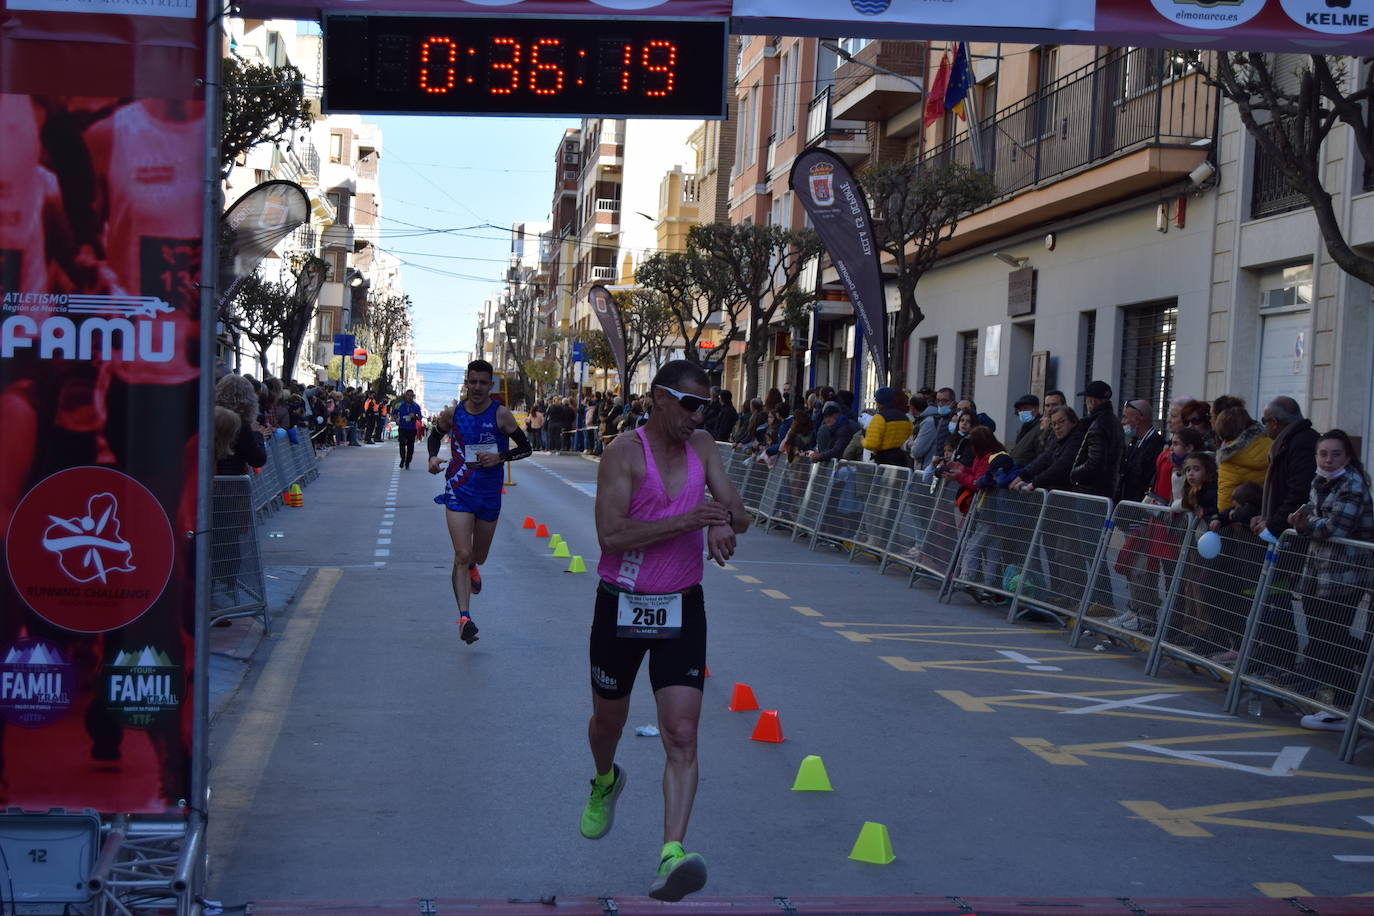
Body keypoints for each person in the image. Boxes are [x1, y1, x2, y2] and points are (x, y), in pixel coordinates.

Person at [582, 360, 748, 902]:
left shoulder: (703, 447)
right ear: (658, 398)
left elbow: (740, 512)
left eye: (707, 405)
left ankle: (671, 853)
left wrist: (722, 518)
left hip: (681, 607)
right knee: (608, 721)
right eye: (690, 403)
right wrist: (689, 520)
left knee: (681, 733)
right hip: (621, 604)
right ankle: (606, 779)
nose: (699, 415)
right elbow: (611, 536)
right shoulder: (623, 454)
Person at [426, 360, 532, 645]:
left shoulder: (501, 415)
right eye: (472, 382)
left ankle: (475, 566)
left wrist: (500, 457)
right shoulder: (454, 413)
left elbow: (526, 448)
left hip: (488, 494)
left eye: (482, 383)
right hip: (458, 490)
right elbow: (434, 437)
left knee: (478, 556)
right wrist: (433, 458)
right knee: (461, 554)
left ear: (490, 385)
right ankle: (464, 618)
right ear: (466, 383)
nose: (477, 388)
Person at [1287, 429, 1374, 731]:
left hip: (1344, 574)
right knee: (1321, 636)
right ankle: (1342, 699)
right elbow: (1312, 514)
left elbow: (1336, 526)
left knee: (1329, 640)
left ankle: (1343, 707)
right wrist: (1300, 518)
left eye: (1335, 454)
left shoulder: (1352, 483)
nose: (1328, 459)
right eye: (1323, 453)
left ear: (1348, 456)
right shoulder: (1319, 480)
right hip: (1316, 571)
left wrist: (1305, 524)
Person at [1117, 399, 1164, 504]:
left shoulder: (1156, 444)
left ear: (1137, 420)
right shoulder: (1134, 442)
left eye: (1125, 417)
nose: (1122, 422)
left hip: (1140, 507)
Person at [862, 387, 913, 467]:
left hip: (883, 460)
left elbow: (872, 444)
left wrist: (863, 441)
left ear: (878, 402)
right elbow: (910, 436)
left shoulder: (879, 418)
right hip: (902, 460)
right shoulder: (905, 418)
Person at [1008, 394, 1042, 465]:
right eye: (1020, 410)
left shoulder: (1041, 427)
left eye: (1026, 408)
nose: (1022, 412)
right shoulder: (1022, 429)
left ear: (1035, 408)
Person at [395, 389, 422, 469]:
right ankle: (403, 459)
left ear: (413, 397)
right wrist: (396, 420)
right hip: (402, 428)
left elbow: (420, 417)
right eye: (408, 395)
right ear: (405, 396)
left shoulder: (416, 406)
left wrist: (415, 416)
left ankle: (408, 462)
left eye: (411, 396)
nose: (409, 397)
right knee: (402, 444)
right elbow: (394, 414)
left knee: (411, 447)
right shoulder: (399, 405)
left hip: (412, 429)